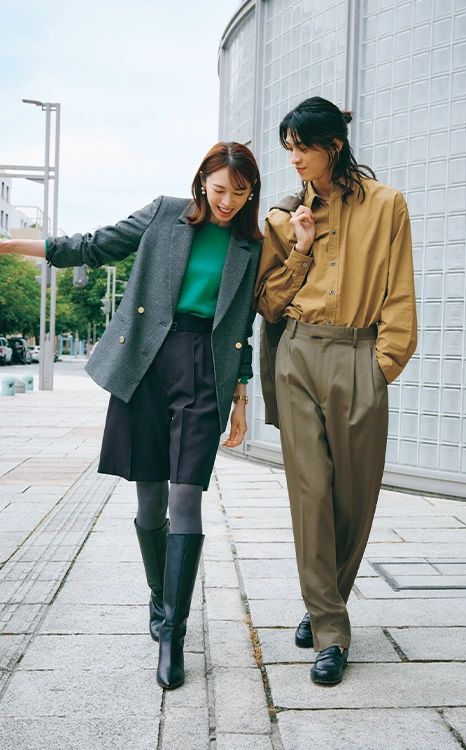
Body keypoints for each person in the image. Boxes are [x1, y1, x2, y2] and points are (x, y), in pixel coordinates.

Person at [0, 142, 262, 690]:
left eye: (240, 194)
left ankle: (173, 636)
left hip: (206, 369)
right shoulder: (165, 214)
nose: (228, 202)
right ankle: (160, 598)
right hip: (147, 362)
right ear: (202, 182)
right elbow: (93, 245)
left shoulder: (250, 245)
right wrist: (11, 244)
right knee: (150, 500)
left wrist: (241, 399)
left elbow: (244, 326)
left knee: (186, 495)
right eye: (220, 190)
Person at [254, 97, 417, 685]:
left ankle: (324, 600)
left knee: (354, 498)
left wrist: (382, 366)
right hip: (297, 355)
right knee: (311, 493)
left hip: (358, 357)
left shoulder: (388, 205)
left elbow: (400, 292)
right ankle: (331, 629)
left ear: (334, 145)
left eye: (303, 148)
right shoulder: (283, 216)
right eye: (289, 149)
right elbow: (266, 301)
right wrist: (299, 248)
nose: (294, 159)